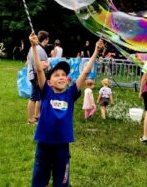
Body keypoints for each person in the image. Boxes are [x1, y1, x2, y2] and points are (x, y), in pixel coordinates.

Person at [29, 32, 103, 187]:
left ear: (68, 79)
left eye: (64, 75)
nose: (61, 77)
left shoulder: (70, 94)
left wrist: (96, 51)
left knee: (62, 183)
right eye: (57, 75)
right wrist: (34, 47)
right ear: (49, 82)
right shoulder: (46, 92)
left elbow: (85, 72)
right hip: (43, 147)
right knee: (38, 182)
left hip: (62, 149)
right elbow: (39, 70)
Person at [27, 30, 50, 125]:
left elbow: (28, 60)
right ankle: (31, 119)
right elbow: (40, 65)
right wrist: (48, 64)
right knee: (35, 97)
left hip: (32, 75)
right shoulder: (40, 50)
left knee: (38, 97)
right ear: (46, 39)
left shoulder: (34, 48)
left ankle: (37, 116)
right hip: (37, 76)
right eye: (48, 40)